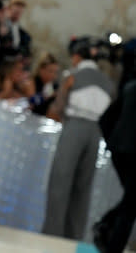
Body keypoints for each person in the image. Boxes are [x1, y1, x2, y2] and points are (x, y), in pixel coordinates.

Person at [42, 38, 115, 240]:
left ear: (76, 56)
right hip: (95, 131)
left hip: (74, 125)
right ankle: (74, 236)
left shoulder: (72, 76)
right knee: (84, 187)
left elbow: (58, 106)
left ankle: (52, 234)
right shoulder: (107, 82)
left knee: (60, 180)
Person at [93, 76, 136, 253]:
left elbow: (105, 119)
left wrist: (113, 145)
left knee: (131, 201)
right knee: (130, 206)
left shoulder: (130, 86)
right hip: (131, 153)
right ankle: (109, 237)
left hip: (120, 151)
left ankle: (106, 226)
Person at [30, 52, 59, 116]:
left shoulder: (55, 86)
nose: (53, 75)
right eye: (50, 71)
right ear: (41, 70)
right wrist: (48, 95)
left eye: (55, 72)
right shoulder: (32, 82)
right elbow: (31, 102)